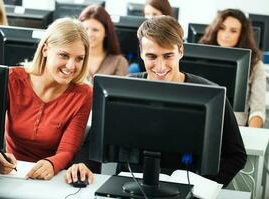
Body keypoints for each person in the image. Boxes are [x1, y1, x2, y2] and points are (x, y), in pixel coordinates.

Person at [128, 16, 247, 186]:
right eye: (152, 56)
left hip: (188, 190)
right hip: (133, 187)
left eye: (168, 56)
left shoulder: (210, 93)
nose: (160, 66)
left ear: (181, 52)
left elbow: (236, 155)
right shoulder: (126, 89)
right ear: (141, 52)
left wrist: (202, 188)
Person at [0, 17, 94, 182]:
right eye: (64, 55)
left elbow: (67, 150)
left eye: (79, 58)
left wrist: (51, 164)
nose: (71, 66)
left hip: (51, 178)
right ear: (45, 50)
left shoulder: (83, 94)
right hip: (10, 174)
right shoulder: (11, 79)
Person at [200, 9, 266, 128]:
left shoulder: (255, 64)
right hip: (202, 124)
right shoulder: (198, 58)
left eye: (233, 31)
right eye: (222, 28)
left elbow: (257, 111)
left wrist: (249, 135)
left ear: (242, 35)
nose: (226, 34)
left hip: (235, 128)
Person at [79, 5, 128, 84]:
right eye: (85, 29)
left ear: (106, 32)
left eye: (95, 30)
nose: (89, 34)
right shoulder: (74, 58)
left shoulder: (119, 62)